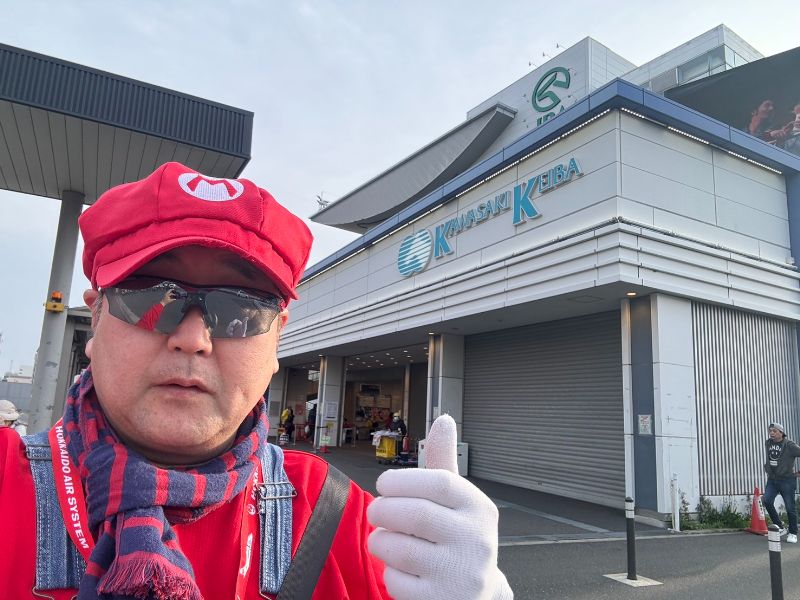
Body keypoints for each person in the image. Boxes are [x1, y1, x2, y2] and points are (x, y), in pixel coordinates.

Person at [0, 162, 512, 599]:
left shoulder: (340, 516)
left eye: (239, 312)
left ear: (276, 343)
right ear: (95, 319)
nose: (193, 339)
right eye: (150, 297)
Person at [763, 422, 800, 544]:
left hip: (787, 480)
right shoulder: (768, 443)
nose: (771, 433)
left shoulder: (789, 445)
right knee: (767, 501)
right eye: (770, 430)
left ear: (781, 432)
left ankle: (793, 533)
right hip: (772, 479)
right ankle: (780, 527)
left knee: (790, 507)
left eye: (774, 431)